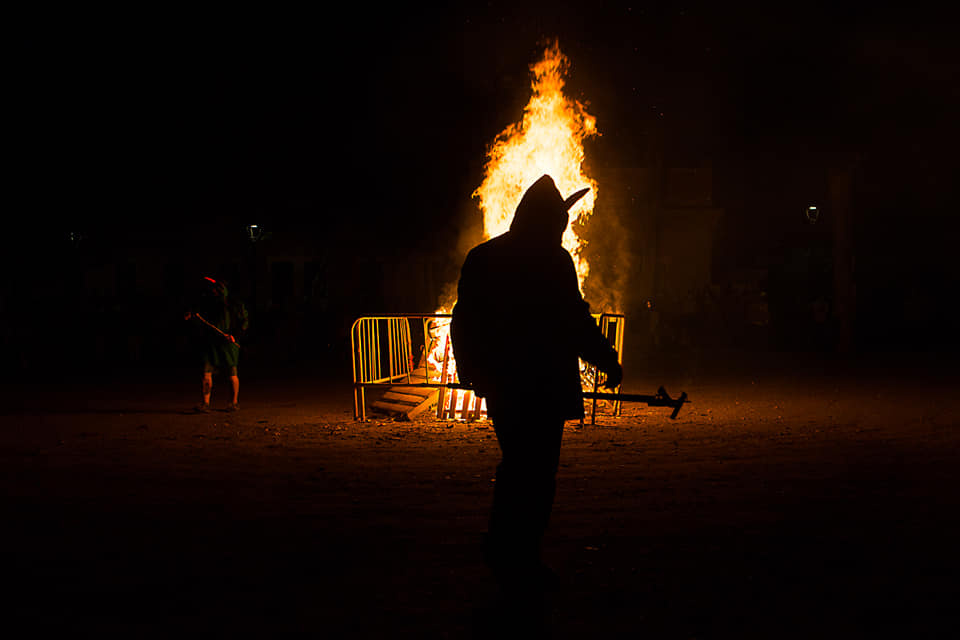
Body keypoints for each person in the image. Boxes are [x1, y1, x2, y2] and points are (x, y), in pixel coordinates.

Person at [451, 175, 623, 616]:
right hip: (542, 387)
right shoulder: (553, 259)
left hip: (505, 387)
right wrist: (607, 359)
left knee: (517, 467)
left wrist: (473, 371)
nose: (564, 228)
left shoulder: (483, 257)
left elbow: (462, 321)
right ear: (548, 220)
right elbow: (575, 320)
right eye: (560, 220)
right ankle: (519, 557)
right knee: (538, 475)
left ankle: (506, 550)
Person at [184, 277, 248, 412]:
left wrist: (235, 335)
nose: (214, 291)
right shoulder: (208, 303)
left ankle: (233, 403)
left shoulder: (234, 304)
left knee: (232, 372)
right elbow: (200, 317)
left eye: (217, 289)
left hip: (228, 342)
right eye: (214, 289)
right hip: (211, 342)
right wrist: (193, 316)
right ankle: (205, 403)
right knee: (206, 372)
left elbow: (243, 321)